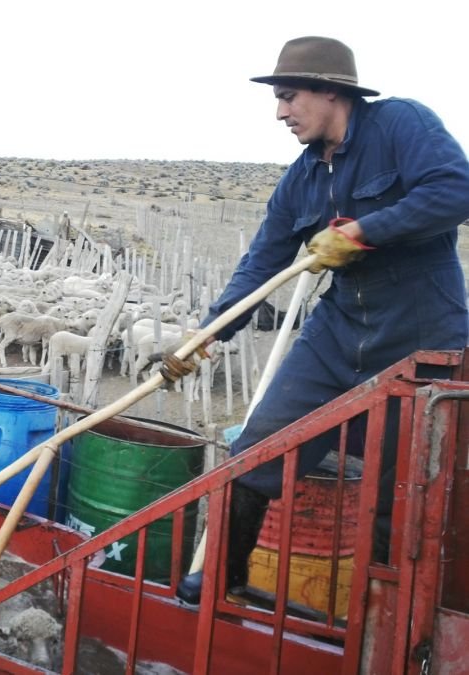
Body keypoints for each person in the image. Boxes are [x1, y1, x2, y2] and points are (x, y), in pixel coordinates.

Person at [172, 36, 469, 604]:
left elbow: (457, 190)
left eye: (289, 97)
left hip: (421, 330)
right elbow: (263, 260)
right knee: (258, 448)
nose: (280, 112)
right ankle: (221, 581)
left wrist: (365, 231)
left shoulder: (400, 124)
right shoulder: (302, 178)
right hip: (338, 333)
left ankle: (384, 616)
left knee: (399, 485)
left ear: (331, 91)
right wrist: (211, 330)